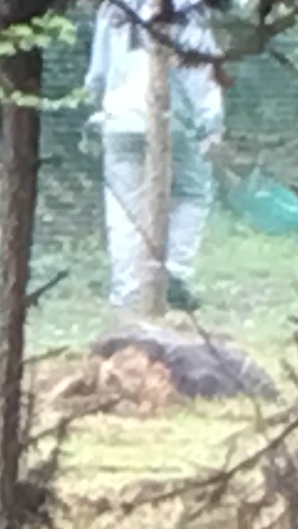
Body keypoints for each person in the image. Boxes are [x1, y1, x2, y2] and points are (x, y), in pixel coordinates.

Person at [90, 0, 226, 317]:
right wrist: (211, 123)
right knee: (191, 191)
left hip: (119, 119)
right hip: (174, 119)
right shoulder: (189, 8)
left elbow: (97, 73)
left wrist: (106, 105)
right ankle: (174, 271)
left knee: (124, 209)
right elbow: (200, 73)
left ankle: (128, 294)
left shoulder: (113, 6)